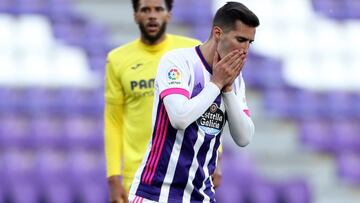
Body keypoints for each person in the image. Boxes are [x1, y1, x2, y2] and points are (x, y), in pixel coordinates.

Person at [128, 1, 259, 202]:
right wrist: (216, 83)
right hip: (155, 193)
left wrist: (227, 90)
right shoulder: (178, 62)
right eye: (240, 39)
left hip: (200, 196)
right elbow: (179, 118)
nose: (245, 50)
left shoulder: (235, 80)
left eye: (249, 42)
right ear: (218, 33)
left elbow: (244, 137)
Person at [104, 0, 209, 202]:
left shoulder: (192, 50)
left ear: (168, 14)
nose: (152, 15)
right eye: (145, 10)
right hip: (138, 176)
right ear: (135, 15)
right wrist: (113, 177)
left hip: (186, 171)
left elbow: (211, 105)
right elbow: (113, 121)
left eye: (158, 9)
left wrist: (218, 158)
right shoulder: (117, 59)